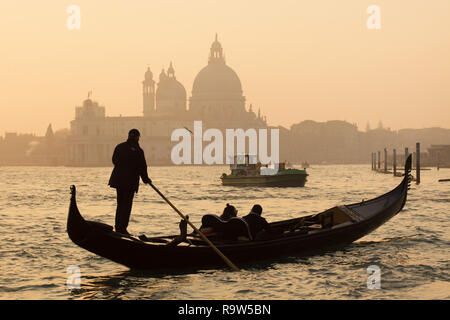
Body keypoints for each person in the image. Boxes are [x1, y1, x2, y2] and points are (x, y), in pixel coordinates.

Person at [108, 129, 151, 235]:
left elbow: (114, 161)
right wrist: (146, 179)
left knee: (120, 204)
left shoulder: (119, 147)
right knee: (127, 205)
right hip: (130, 182)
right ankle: (122, 229)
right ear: (137, 137)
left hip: (118, 181)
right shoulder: (138, 151)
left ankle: (118, 227)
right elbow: (142, 167)